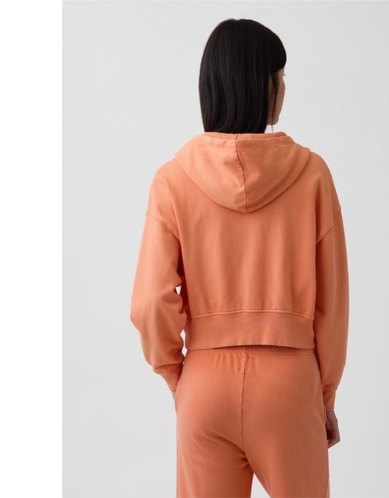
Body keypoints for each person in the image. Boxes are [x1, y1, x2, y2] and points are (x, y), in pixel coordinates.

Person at [130, 18, 349, 498]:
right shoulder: (313, 175)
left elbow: (148, 302)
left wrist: (178, 377)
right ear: (261, 86)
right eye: (280, 76)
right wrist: (325, 394)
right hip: (290, 385)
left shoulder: (172, 180)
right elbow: (331, 303)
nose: (284, 88)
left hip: (204, 385)